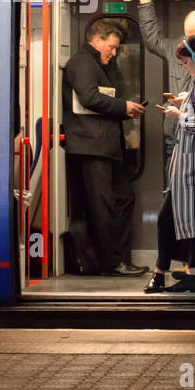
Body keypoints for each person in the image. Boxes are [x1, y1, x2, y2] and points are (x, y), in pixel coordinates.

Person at [63, 19, 148, 277]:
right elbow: (90, 97)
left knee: (123, 198)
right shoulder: (81, 62)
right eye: (111, 47)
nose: (113, 53)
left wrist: (126, 109)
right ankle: (112, 263)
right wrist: (123, 107)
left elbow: (104, 98)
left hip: (105, 146)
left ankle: (119, 259)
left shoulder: (101, 64)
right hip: (91, 147)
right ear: (96, 40)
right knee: (104, 207)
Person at [146, 37, 195, 294]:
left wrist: (179, 116)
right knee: (181, 220)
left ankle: (170, 275)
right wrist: (184, 103)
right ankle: (179, 274)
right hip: (187, 167)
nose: (184, 66)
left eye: (185, 61)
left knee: (179, 220)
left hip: (194, 167)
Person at [137, 0, 195, 155]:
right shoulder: (178, 47)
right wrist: (145, 4)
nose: (190, 44)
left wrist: (189, 99)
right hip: (176, 137)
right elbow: (153, 41)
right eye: (187, 38)